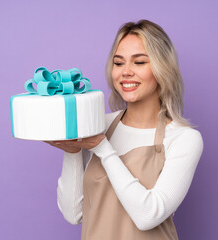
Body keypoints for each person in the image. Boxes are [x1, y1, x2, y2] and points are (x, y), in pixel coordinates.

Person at [46, 19, 203, 240]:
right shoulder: (97, 126)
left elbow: (148, 215)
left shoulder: (183, 139)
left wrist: (103, 148)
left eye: (139, 62)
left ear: (162, 68)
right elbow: (74, 214)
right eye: (118, 63)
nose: (125, 72)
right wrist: (71, 151)